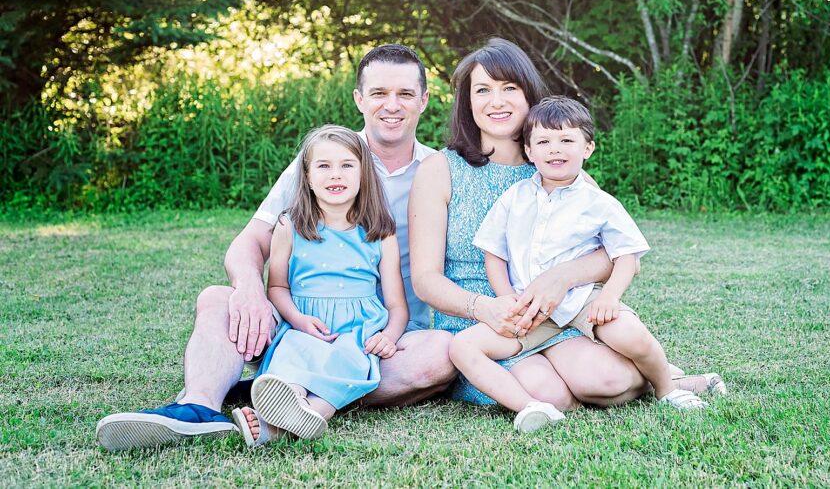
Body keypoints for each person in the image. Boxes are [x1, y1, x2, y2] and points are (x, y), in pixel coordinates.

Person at [96, 44, 456, 452]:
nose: (392, 105)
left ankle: (286, 396)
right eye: (379, 93)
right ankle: (199, 407)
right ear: (359, 99)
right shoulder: (324, 156)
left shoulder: (440, 170)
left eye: (405, 94)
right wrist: (250, 286)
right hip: (300, 324)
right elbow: (250, 241)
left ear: (424, 100)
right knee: (218, 298)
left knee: (443, 352)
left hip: (380, 340)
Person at [409, 38, 723, 417]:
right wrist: (485, 308)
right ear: (467, 100)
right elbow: (425, 279)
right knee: (551, 395)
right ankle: (665, 377)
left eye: (509, 88)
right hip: (485, 320)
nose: (497, 101)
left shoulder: (557, 164)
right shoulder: (440, 169)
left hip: (557, 312)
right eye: (483, 90)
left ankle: (660, 380)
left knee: (607, 381)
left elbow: (619, 254)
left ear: (529, 95)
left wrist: (561, 278)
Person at [450, 97, 711, 431]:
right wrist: (505, 298)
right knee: (463, 345)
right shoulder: (514, 198)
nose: (554, 149)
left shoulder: (598, 202)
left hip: (582, 301)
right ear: (529, 151)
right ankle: (531, 408)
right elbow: (494, 254)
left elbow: (626, 257)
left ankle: (668, 388)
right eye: (543, 141)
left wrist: (610, 297)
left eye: (566, 140)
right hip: (528, 309)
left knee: (631, 333)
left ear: (587, 148)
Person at [232, 124, 408, 445]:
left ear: (363, 174)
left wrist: (388, 336)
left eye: (346, 165)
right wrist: (297, 320)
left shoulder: (380, 231)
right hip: (304, 325)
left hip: (358, 330)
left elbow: (396, 305)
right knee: (293, 357)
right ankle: (292, 405)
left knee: (350, 361)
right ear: (308, 177)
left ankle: (298, 417)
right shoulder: (290, 226)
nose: (335, 175)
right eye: (324, 166)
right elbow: (278, 288)